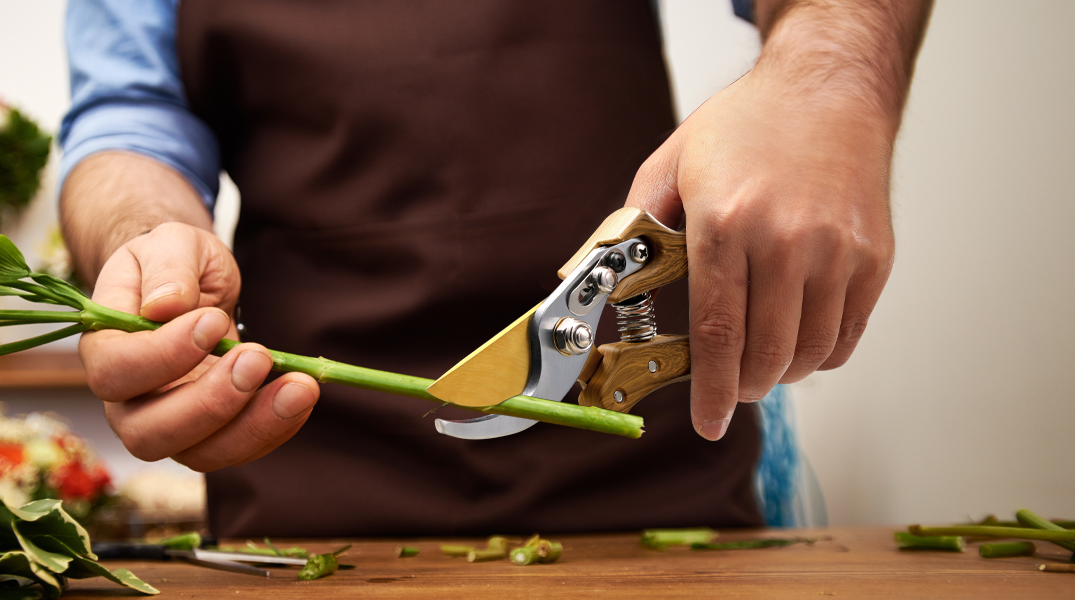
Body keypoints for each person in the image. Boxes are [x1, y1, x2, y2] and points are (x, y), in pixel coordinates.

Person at [58, 0, 931, 537]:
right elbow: (127, 120)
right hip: (307, 485)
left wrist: (826, 77)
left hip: (652, 455)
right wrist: (146, 241)